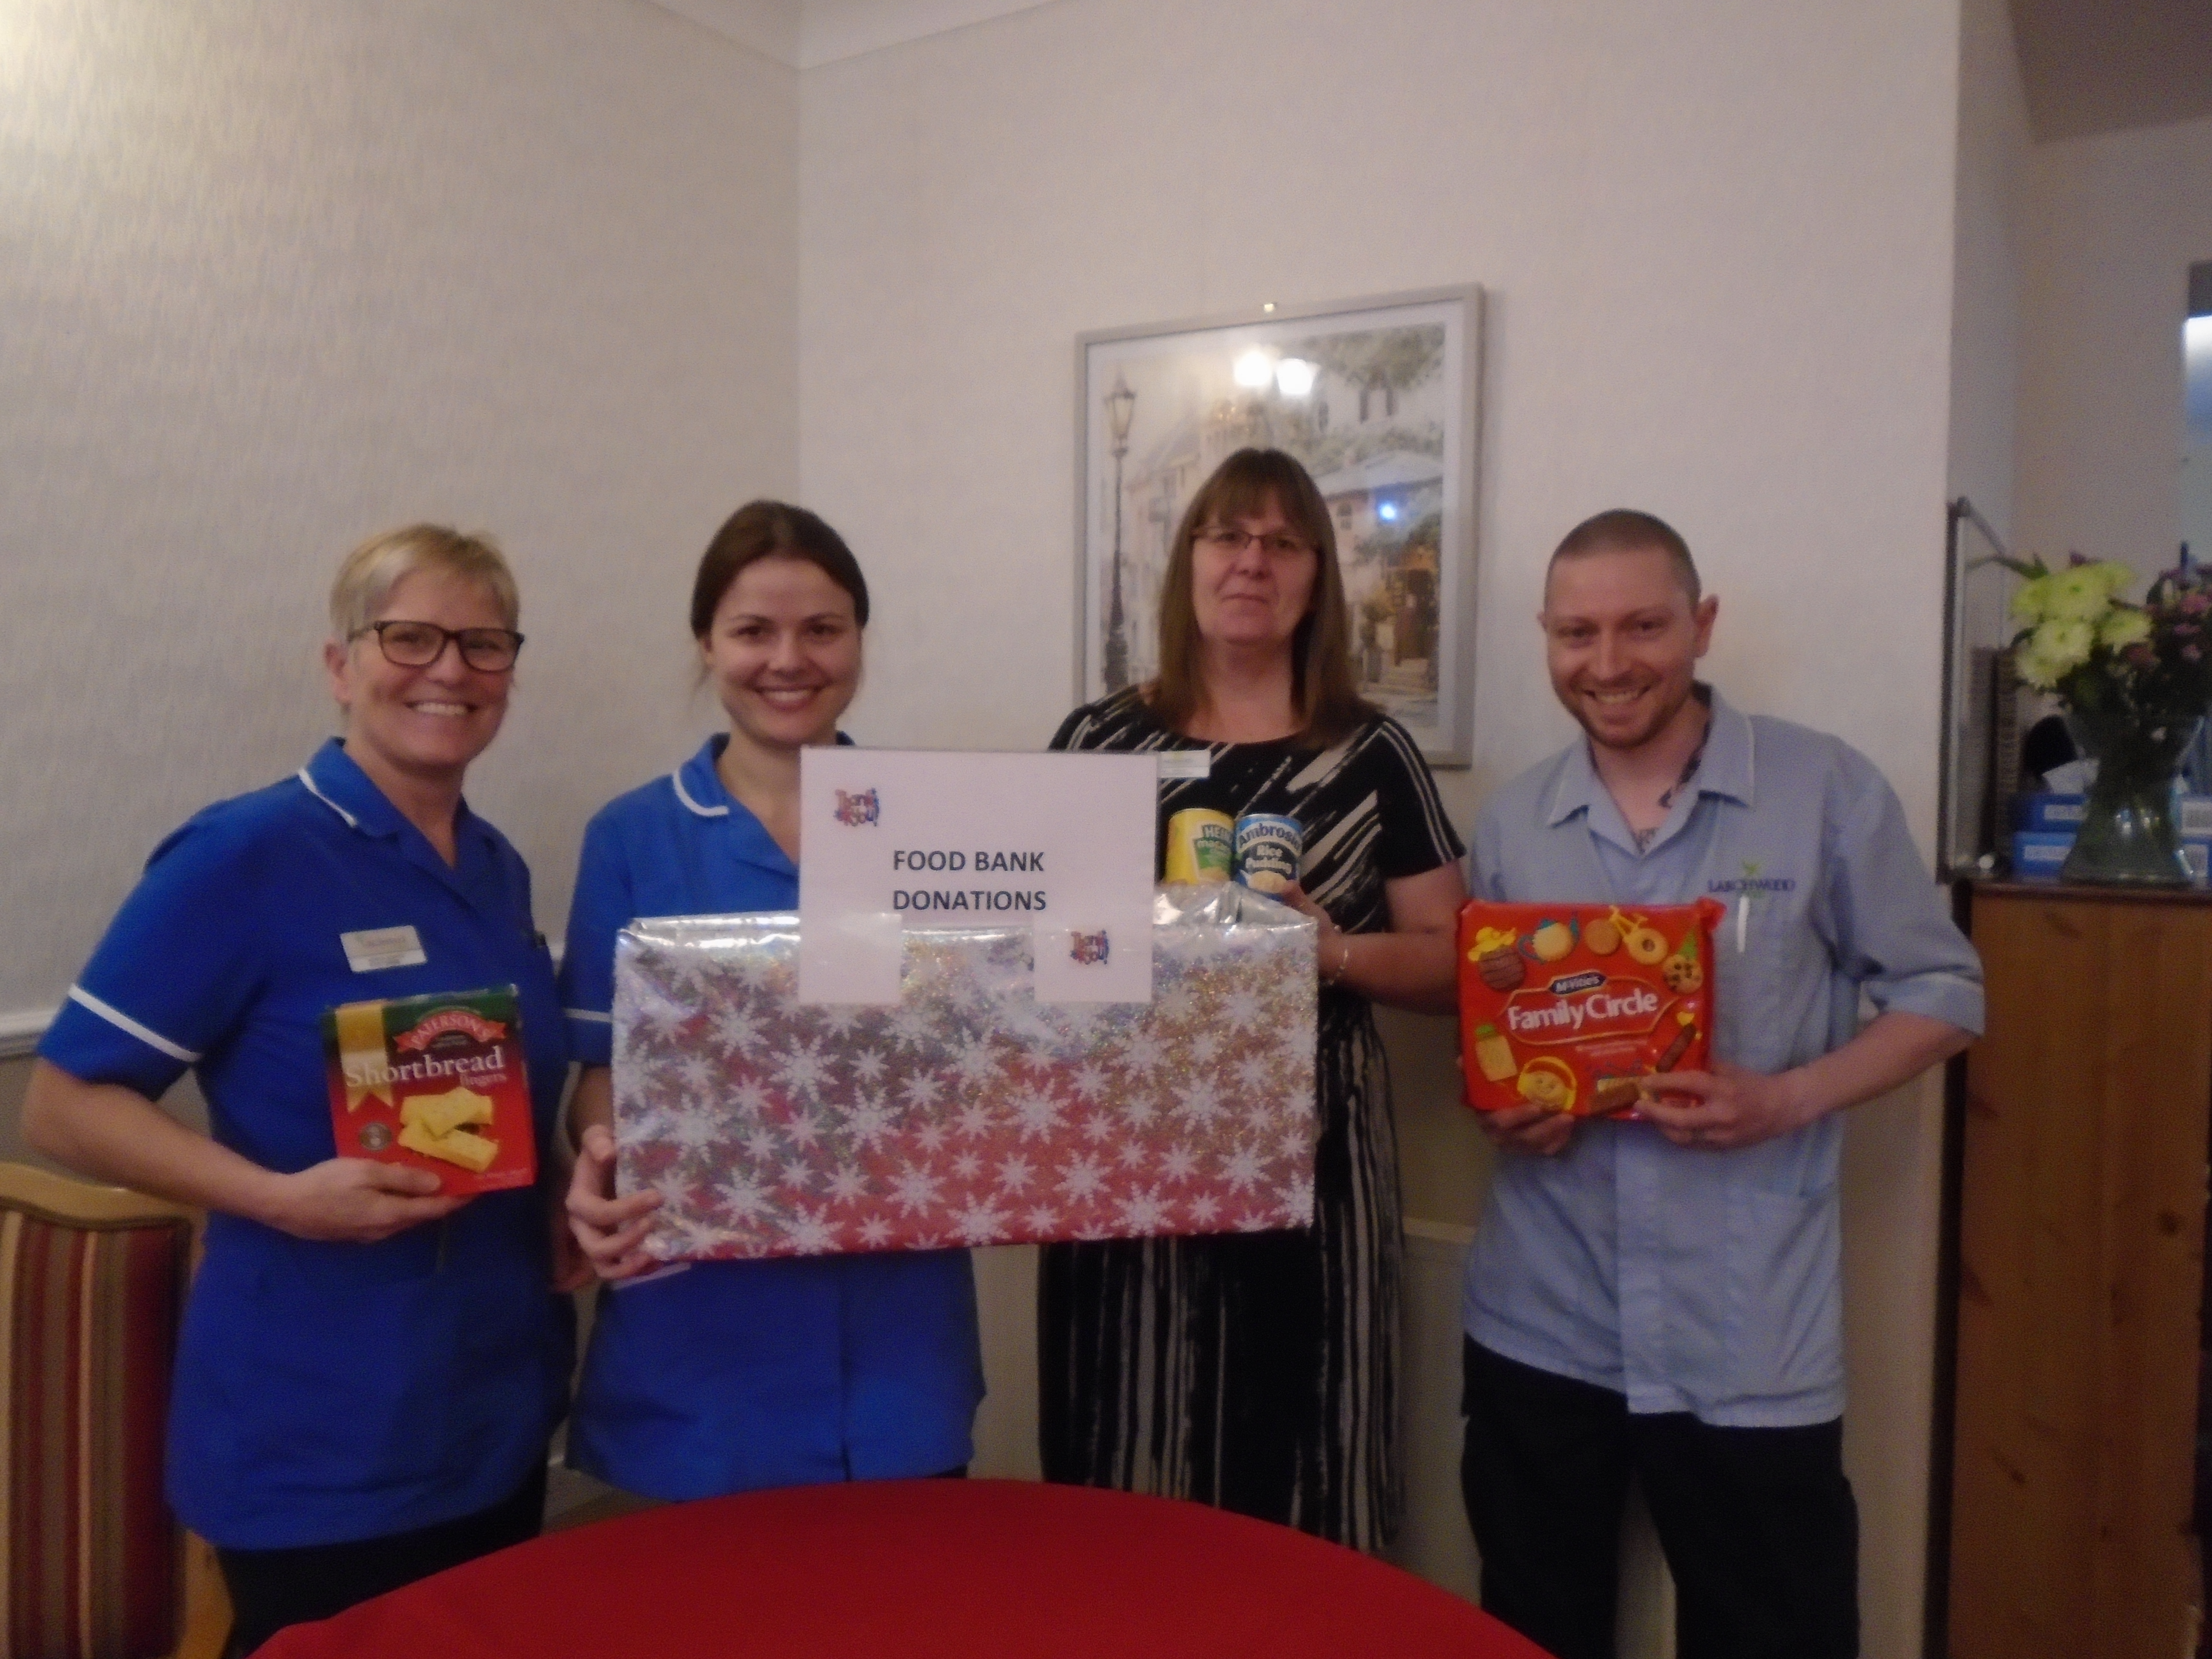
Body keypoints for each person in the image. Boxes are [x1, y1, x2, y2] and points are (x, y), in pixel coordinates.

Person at [24, 527, 577, 1655]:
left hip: (494, 1403)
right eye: (410, 636)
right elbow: (65, 1104)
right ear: (341, 664)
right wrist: (279, 1198)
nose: (449, 671)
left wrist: (563, 1191)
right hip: (321, 1435)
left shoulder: (497, 865)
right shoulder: (243, 855)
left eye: (482, 645)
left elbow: (508, 1086)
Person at [1460, 509, 1984, 1659]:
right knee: (1530, 1630)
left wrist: (1788, 1100)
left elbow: (1945, 996)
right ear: (1546, 639)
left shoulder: (1826, 789)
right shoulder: (1511, 823)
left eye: (1643, 625)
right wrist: (1512, 1110)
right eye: (1576, 633)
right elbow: (1500, 1041)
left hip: (1749, 1335)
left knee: (1775, 1636)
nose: (1608, 665)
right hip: (1542, 1318)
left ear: (1701, 625)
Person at [1038, 447, 1466, 1553]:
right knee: (1124, 1445)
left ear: (1317, 576)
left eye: (1282, 543)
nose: (1251, 562)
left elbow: (1456, 961)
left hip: (1317, 1160)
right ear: (1187, 564)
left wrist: (1327, 955)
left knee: (1305, 1445)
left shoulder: (1372, 753)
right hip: (1124, 1157)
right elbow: (1023, 959)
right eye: (1228, 536)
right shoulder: (1096, 743)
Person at [560, 501, 984, 1498]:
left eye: (821, 630)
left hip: (897, 1337)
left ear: (858, 642)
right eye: (753, 631)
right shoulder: (632, 835)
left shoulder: (948, 824)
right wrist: (599, 1161)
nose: (788, 660)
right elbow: (602, 1071)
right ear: (706, 644)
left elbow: (1002, 1043)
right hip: (697, 1345)